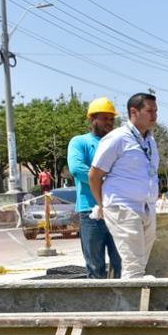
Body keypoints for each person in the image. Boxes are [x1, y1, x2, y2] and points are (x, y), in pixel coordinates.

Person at [89, 93, 160, 279]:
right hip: (123, 207)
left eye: (156, 111)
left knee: (140, 264)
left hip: (146, 206)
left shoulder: (150, 140)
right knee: (133, 267)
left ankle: (130, 296)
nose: (154, 115)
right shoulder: (117, 138)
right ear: (134, 112)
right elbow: (94, 176)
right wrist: (102, 205)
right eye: (149, 111)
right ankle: (131, 298)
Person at [69, 97, 122, 278]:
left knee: (122, 263)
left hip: (117, 210)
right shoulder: (80, 142)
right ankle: (98, 296)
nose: (109, 122)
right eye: (105, 118)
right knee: (95, 265)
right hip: (90, 212)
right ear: (92, 119)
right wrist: (106, 181)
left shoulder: (118, 143)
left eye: (111, 119)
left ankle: (123, 296)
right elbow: (77, 169)